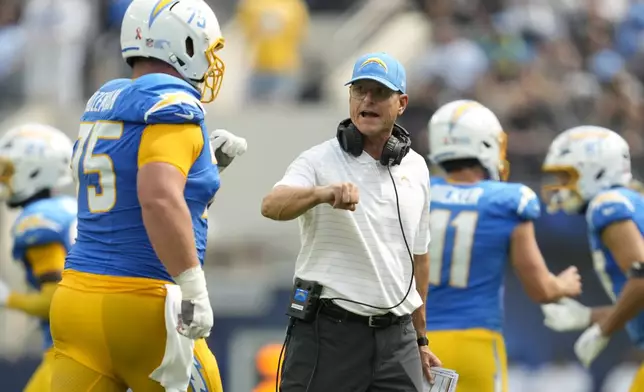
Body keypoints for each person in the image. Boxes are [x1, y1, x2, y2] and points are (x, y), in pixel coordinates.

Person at [48, 0, 247, 391]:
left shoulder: (105, 103)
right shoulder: (174, 107)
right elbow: (157, 197)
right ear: (184, 44)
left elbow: (123, 194)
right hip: (145, 306)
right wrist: (192, 288)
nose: (210, 61)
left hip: (75, 301)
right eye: (207, 48)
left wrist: (202, 174)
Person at [261, 51, 440, 392]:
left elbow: (419, 258)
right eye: (360, 91)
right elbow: (271, 206)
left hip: (397, 340)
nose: (367, 100)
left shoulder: (416, 167)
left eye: (379, 93)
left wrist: (420, 339)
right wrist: (321, 194)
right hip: (330, 335)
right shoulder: (317, 160)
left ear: (401, 103)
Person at [425, 99, 583, 392]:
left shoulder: (419, 191)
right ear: (485, 144)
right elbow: (541, 289)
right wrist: (564, 285)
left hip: (419, 344)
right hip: (476, 342)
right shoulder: (506, 200)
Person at [540, 125, 644, 391]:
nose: (560, 186)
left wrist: (604, 329)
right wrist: (591, 317)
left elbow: (642, 275)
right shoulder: (632, 199)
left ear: (594, 169)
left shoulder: (605, 204)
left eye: (566, 176)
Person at [0, 123, 75, 392]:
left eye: (8, 171)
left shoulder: (38, 220)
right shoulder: (68, 208)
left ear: (33, 169)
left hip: (69, 353)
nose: (4, 178)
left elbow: (53, 303)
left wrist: (7, 298)